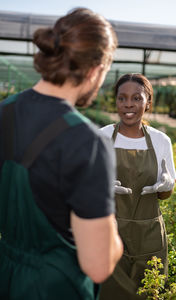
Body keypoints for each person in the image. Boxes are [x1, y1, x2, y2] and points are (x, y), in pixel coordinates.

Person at [0, 8, 123, 300]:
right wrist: (113, 232)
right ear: (95, 70)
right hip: (56, 287)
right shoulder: (87, 142)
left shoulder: (4, 112)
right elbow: (98, 266)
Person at [99, 73, 176, 300]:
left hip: (149, 237)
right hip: (110, 233)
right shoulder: (103, 136)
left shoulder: (161, 141)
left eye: (136, 98)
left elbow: (164, 194)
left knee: (148, 293)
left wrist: (166, 185)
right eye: (122, 98)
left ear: (148, 102)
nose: (128, 105)